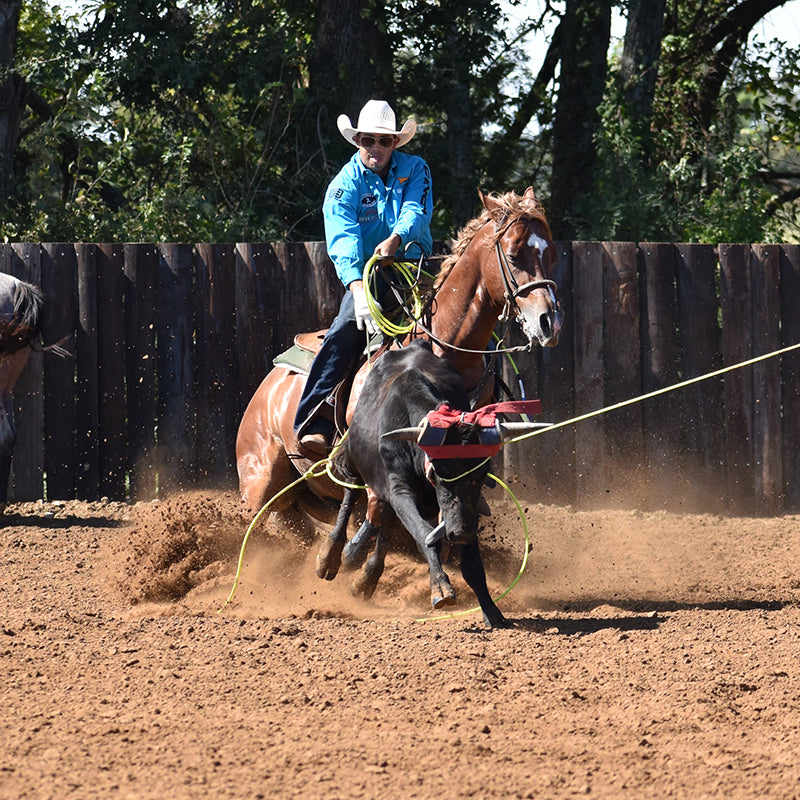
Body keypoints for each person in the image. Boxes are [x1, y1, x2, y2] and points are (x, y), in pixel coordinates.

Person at [294, 99, 434, 455]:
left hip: (414, 269)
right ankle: (314, 418)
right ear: (358, 141)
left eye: (384, 141)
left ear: (394, 144)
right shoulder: (344, 185)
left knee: (462, 322)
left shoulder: (416, 168)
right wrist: (358, 290)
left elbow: (416, 209)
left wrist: (396, 238)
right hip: (369, 277)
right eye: (369, 140)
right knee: (344, 329)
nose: (376, 147)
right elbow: (343, 240)